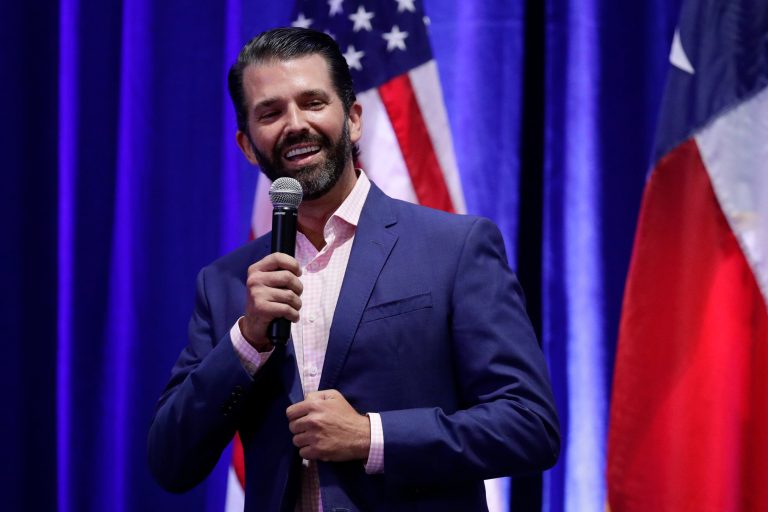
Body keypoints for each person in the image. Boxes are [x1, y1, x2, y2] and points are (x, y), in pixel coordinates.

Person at [148, 27, 560, 511]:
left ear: (354, 119)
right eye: (271, 112)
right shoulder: (226, 283)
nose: (295, 124)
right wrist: (247, 340)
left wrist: (371, 437)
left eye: (313, 102)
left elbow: (529, 426)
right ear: (246, 144)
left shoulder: (456, 248)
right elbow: (171, 461)